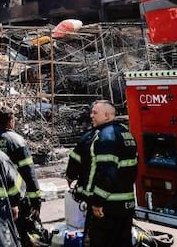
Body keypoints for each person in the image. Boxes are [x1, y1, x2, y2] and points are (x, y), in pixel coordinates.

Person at [68, 101, 137, 247]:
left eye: (95, 113)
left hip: (107, 207)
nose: (91, 116)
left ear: (106, 115)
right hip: (126, 205)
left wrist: (98, 202)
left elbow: (107, 173)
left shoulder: (105, 137)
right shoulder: (125, 133)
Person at [0, 107, 42, 247]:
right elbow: (28, 172)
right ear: (11, 121)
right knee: (20, 230)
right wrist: (35, 200)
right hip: (14, 195)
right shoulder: (16, 140)